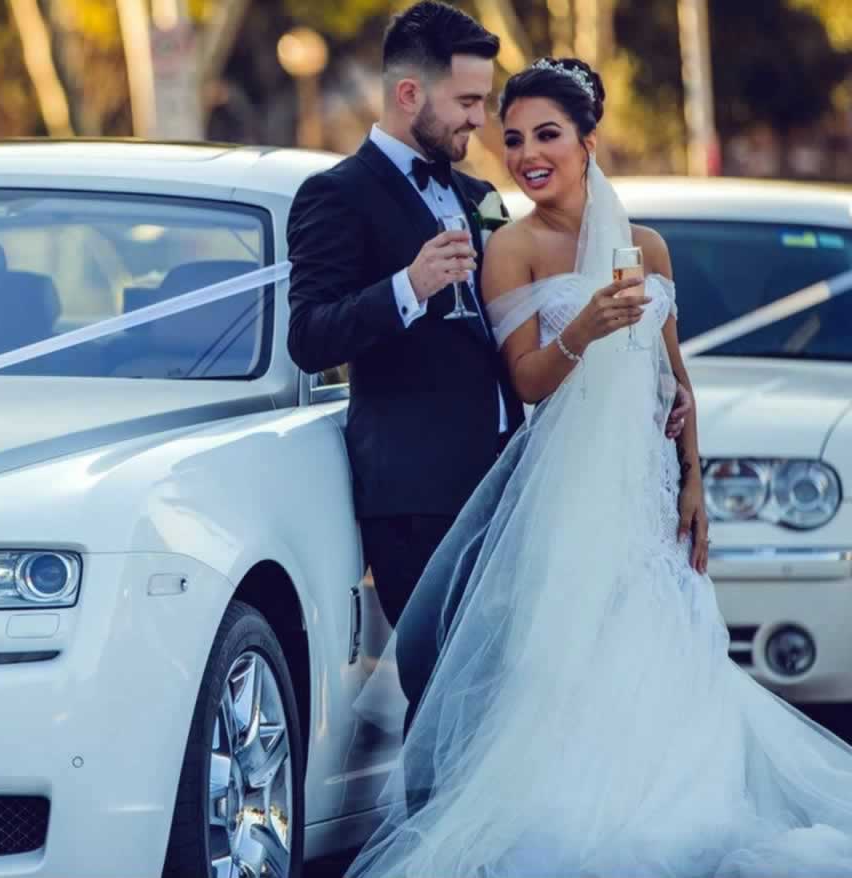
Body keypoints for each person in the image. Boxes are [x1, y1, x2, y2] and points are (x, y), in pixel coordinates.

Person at [345, 57, 852, 877]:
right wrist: (582, 326)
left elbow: (674, 380)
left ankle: (673, 806)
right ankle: (581, 819)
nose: (528, 153)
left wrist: (693, 480)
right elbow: (527, 383)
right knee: (569, 657)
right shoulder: (511, 249)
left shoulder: (646, 245)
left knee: (663, 654)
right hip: (566, 495)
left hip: (649, 495)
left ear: (587, 140)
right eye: (512, 139)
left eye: (547, 134)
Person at [284, 0, 688, 733]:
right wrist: (408, 287)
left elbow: (515, 342)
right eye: (468, 102)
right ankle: (430, 841)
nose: (479, 121)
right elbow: (309, 336)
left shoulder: (480, 199)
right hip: (417, 489)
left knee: (512, 683)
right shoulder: (337, 195)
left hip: (515, 481)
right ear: (411, 94)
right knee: (442, 685)